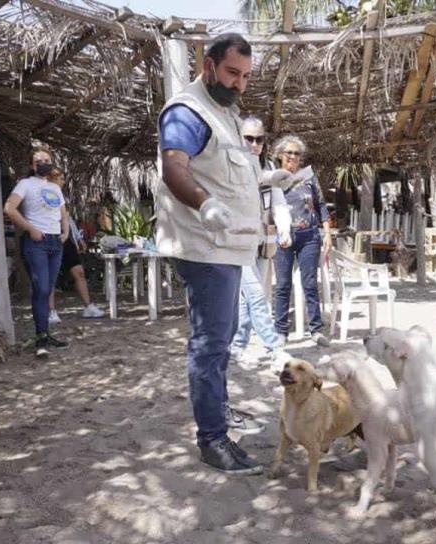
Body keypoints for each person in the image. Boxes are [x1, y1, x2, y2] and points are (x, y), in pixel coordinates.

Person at [155, 33, 295, 475]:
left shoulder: (226, 115)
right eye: (233, 73)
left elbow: (232, 177)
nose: (239, 84)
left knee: (223, 341)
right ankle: (211, 439)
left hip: (230, 248)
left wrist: (269, 180)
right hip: (204, 246)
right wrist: (205, 204)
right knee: (210, 344)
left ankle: (218, 421)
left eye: (247, 77)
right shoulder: (188, 111)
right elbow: (174, 166)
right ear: (209, 64)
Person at [229, 117, 292, 367]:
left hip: (262, 243)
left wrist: (284, 230)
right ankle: (275, 348)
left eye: (259, 139)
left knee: (248, 298)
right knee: (256, 296)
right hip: (238, 243)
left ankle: (238, 347)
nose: (255, 144)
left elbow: (278, 203)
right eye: (249, 138)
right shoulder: (231, 167)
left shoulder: (266, 167)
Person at [4, 149, 71, 359]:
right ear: (32, 166)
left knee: (48, 288)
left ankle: (45, 335)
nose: (43, 163)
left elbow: (63, 213)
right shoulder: (25, 184)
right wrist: (30, 228)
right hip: (36, 242)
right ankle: (41, 337)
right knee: (41, 288)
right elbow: (9, 208)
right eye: (38, 161)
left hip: (55, 242)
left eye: (47, 160)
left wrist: (66, 232)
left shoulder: (54, 187)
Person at [272, 135, 333, 348]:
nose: (293, 157)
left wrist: (327, 233)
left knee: (309, 283)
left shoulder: (309, 178)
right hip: (283, 237)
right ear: (280, 155)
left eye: (297, 153)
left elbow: (321, 205)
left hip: (309, 236)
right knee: (282, 285)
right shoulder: (273, 178)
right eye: (289, 152)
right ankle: (281, 331)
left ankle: (316, 330)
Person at [45, 168, 105, 323]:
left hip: (67, 239)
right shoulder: (42, 194)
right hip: (50, 237)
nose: (63, 182)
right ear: (51, 179)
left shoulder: (61, 196)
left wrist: (78, 238)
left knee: (79, 272)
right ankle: (51, 311)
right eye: (60, 179)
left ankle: (88, 307)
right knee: (50, 276)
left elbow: (67, 219)